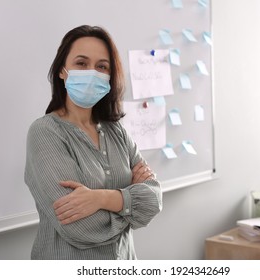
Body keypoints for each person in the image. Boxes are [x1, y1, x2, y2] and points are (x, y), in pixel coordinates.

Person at [24, 25, 162, 260]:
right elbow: (79, 227)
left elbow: (153, 201)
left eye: (101, 66)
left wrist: (100, 199)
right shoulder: (45, 132)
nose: (92, 72)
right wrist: (130, 204)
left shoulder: (115, 129)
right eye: (81, 63)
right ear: (62, 70)